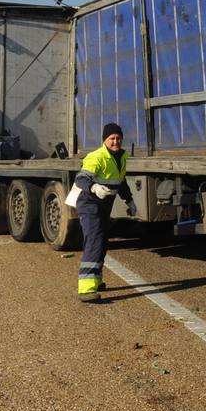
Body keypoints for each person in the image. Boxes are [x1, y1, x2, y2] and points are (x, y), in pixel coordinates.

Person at [75, 123, 136, 301]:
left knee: (101, 242)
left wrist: (130, 200)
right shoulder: (97, 157)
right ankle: (86, 289)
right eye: (112, 138)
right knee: (94, 241)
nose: (115, 141)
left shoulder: (121, 157)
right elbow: (80, 179)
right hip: (89, 204)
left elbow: (121, 182)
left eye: (118, 138)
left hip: (104, 207)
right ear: (104, 140)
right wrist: (94, 187)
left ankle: (95, 279)